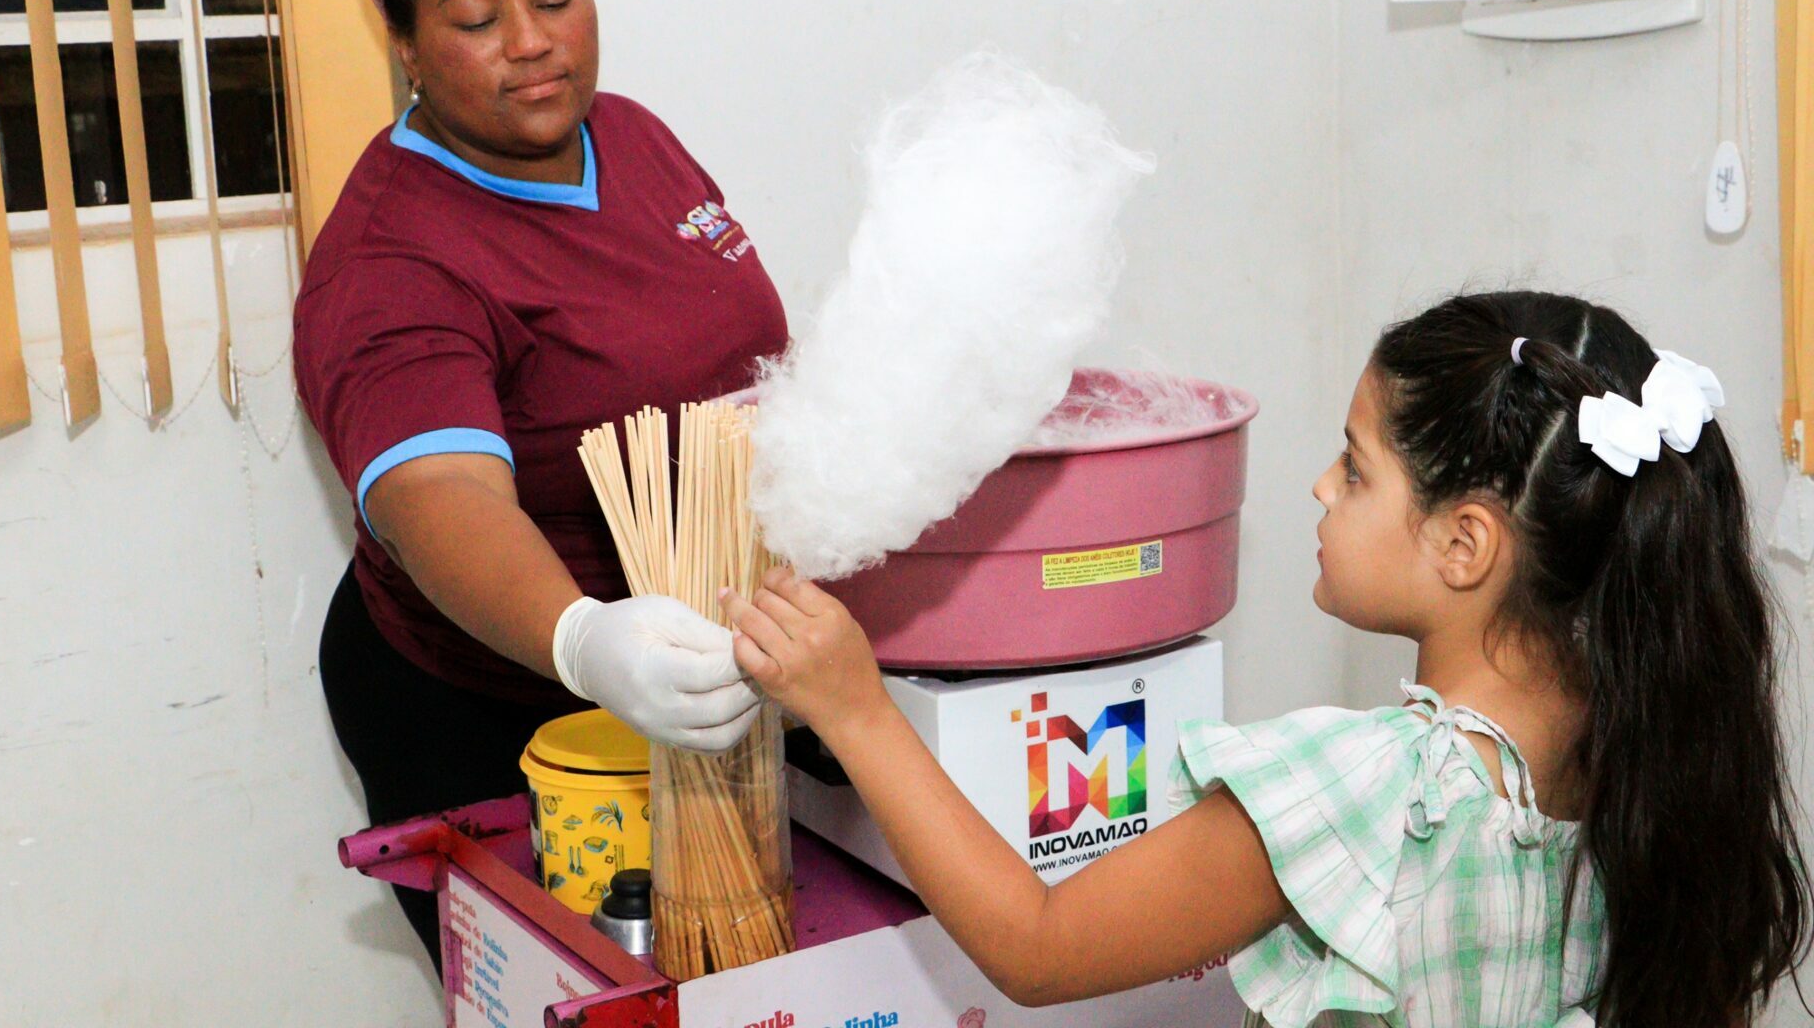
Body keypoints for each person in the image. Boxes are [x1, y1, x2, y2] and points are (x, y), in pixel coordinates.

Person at [729, 291, 1809, 1027]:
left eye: (1357, 466)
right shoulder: (1651, 762)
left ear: (1465, 543)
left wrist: (858, 708)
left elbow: (1038, 945)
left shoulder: (1367, 792)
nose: (1321, 488)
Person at [294, 0, 783, 969]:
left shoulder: (635, 137)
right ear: (405, 45)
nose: (531, 41)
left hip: (706, 666)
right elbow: (439, 494)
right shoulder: (391, 257)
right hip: (492, 703)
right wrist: (584, 638)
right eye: (477, 18)